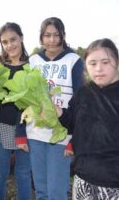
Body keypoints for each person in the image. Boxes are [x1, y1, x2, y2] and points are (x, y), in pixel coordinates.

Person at [56, 38, 119, 200]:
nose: (99, 68)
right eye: (92, 63)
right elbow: (71, 124)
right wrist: (55, 110)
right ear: (86, 66)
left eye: (105, 62)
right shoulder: (83, 93)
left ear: (118, 62)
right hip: (84, 181)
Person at [27, 17, 84, 199]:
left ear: (63, 36)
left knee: (56, 191)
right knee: (41, 190)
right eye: (47, 35)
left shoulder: (73, 60)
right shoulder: (34, 60)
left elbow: (80, 100)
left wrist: (74, 138)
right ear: (41, 37)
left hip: (61, 134)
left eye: (56, 35)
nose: (51, 40)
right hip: (35, 132)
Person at [0, 22, 31, 200]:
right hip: (2, 126)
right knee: (1, 173)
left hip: (27, 128)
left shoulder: (32, 66)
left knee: (23, 172)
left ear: (21, 38)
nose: (10, 45)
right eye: (5, 42)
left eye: (13, 39)